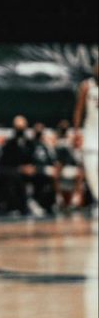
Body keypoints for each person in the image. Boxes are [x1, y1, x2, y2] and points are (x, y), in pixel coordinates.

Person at [73, 61, 98, 215]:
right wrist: (76, 132)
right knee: (90, 168)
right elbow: (79, 110)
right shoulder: (86, 86)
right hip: (91, 133)